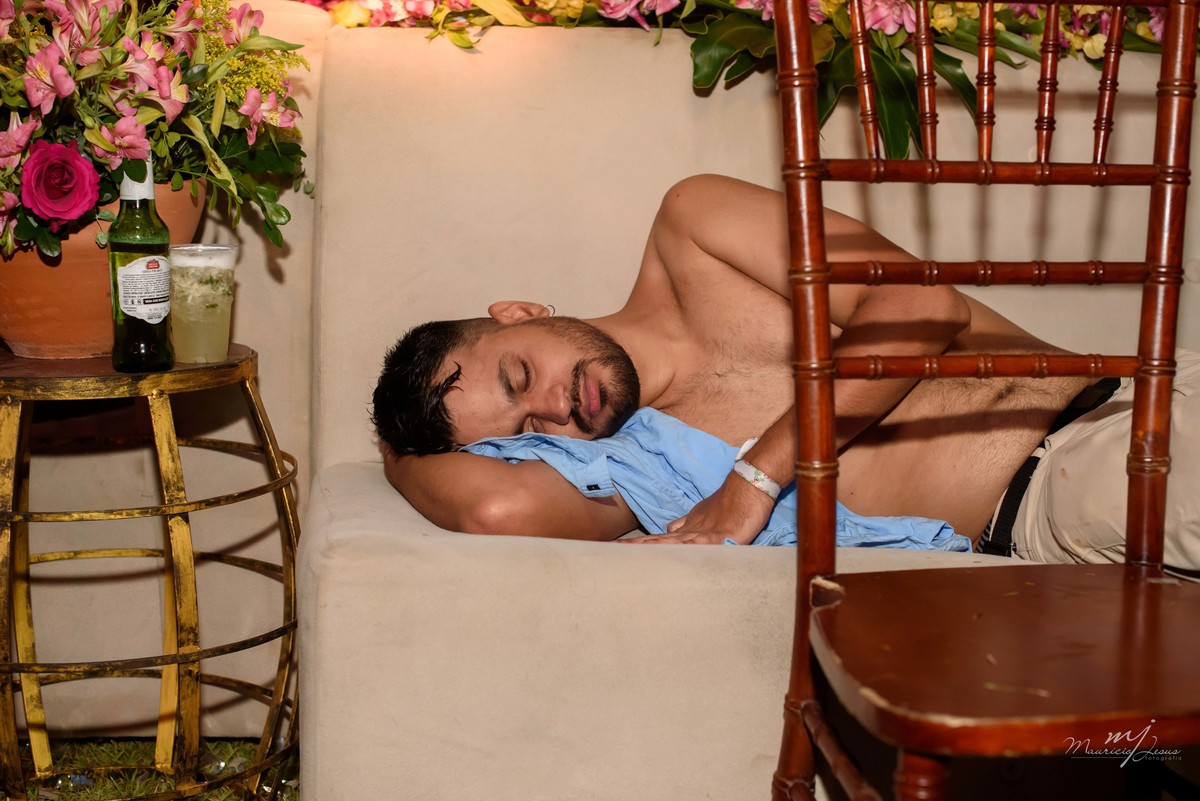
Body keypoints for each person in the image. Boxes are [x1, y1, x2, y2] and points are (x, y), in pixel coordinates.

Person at [372, 174, 1199, 571]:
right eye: (528, 431)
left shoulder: (694, 228)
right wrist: (399, 449)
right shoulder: (648, 470)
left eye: (520, 376)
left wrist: (756, 478)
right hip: (1062, 504)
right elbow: (495, 509)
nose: (557, 407)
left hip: (1141, 399)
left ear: (520, 310)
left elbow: (922, 307)